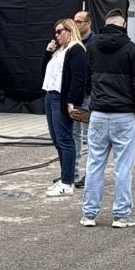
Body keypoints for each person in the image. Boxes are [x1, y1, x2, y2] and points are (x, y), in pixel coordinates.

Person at [77, 9, 135, 227]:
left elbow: (86, 79)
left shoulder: (92, 48)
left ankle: (89, 214)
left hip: (98, 113)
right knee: (123, 167)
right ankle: (121, 215)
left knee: (94, 163)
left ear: (105, 24)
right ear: (123, 25)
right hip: (123, 114)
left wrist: (91, 95)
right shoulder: (132, 49)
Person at [42, 18, 87, 196]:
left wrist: (71, 102)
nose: (56, 35)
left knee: (65, 139)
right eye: (55, 32)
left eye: (59, 31)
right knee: (57, 139)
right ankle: (64, 178)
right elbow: (45, 73)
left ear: (69, 31)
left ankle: (67, 182)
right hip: (50, 94)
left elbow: (77, 78)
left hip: (61, 97)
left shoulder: (76, 50)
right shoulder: (60, 51)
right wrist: (48, 53)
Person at [71, 9, 96, 186]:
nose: (76, 24)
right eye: (74, 21)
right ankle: (71, 173)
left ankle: (90, 174)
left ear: (88, 23)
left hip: (88, 96)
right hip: (75, 97)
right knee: (74, 134)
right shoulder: (73, 42)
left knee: (89, 136)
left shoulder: (94, 43)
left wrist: (90, 89)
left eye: (79, 21)